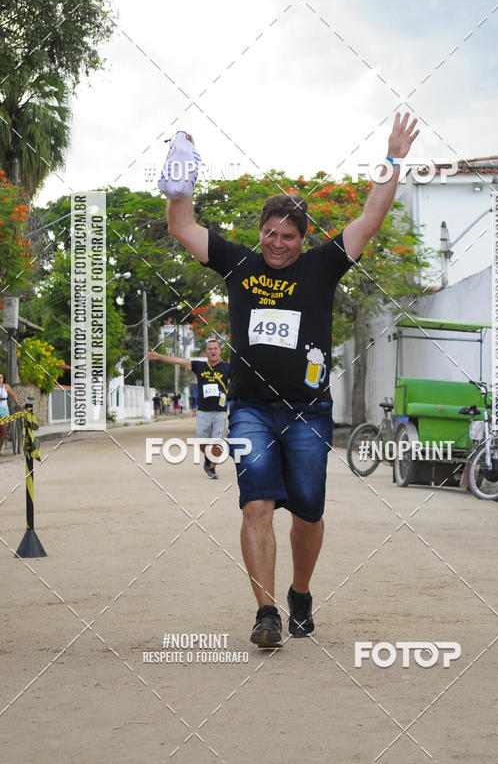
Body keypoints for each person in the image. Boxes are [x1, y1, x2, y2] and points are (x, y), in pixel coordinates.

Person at [162, 113, 419, 648]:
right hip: (250, 407)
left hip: (308, 412)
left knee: (307, 510)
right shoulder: (237, 263)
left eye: (288, 236)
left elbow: (372, 216)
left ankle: (300, 592)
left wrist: (392, 157)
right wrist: (179, 182)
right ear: (261, 233)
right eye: (270, 234)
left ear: (304, 238)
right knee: (255, 503)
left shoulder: (324, 265)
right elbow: (182, 227)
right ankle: (266, 612)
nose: (277, 243)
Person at [145, 338, 230, 479]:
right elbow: (179, 361)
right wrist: (159, 357)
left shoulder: (227, 368)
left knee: (218, 443)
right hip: (203, 412)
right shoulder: (200, 366)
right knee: (202, 442)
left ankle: (212, 468)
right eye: (210, 349)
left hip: (220, 412)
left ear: (220, 351)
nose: (213, 351)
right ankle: (208, 458)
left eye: (215, 348)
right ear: (206, 352)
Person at [0, 372, 21, 454]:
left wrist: (18, 403)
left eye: (1, 378)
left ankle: (0, 448)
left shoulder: (6, 387)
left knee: (3, 430)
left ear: (3, 379)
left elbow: (13, 396)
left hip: (4, 410)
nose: (0, 379)